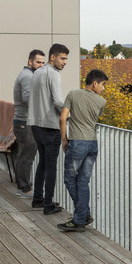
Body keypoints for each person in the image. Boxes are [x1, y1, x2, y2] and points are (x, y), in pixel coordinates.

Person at [57, 69, 108, 232]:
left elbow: (62, 118)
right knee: (83, 181)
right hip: (92, 144)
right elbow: (94, 119)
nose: (103, 88)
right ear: (94, 83)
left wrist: (64, 139)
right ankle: (81, 216)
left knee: (69, 179)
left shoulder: (72, 94)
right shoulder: (102, 102)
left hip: (77, 143)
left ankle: (82, 216)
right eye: (103, 84)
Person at [28, 43, 69, 214]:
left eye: (66, 59)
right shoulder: (54, 74)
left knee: (43, 163)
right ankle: (48, 204)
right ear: (53, 57)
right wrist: (69, 115)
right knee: (51, 166)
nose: (65, 62)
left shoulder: (37, 72)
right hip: (50, 126)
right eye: (62, 58)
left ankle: (38, 199)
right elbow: (59, 101)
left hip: (35, 124)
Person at [12, 49, 45, 198]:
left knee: (23, 154)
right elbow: (27, 98)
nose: (41, 65)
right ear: (30, 61)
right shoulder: (28, 76)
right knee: (27, 156)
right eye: (38, 62)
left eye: (43, 63)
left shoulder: (27, 74)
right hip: (26, 121)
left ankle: (21, 186)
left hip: (22, 121)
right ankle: (25, 189)